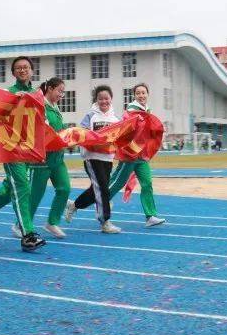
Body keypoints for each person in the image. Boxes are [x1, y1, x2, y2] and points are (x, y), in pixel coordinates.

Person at [0, 56, 46, 252]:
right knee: (22, 187)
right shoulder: (7, 94)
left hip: (29, 149)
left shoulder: (38, 95)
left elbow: (40, 123)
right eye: (18, 68)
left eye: (26, 67)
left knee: (9, 189)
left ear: (32, 71)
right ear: (13, 73)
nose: (22, 70)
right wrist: (15, 102)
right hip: (11, 148)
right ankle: (28, 235)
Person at [101, 83, 166, 228]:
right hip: (130, 155)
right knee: (117, 183)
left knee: (147, 183)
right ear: (134, 96)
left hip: (141, 157)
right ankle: (101, 203)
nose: (141, 95)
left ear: (147, 94)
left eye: (143, 93)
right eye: (138, 93)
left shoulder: (147, 111)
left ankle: (150, 216)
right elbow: (125, 130)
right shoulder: (130, 112)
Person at [64, 85, 122, 233]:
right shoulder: (91, 116)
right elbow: (82, 133)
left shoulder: (115, 118)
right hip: (92, 157)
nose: (104, 101)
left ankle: (74, 205)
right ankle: (105, 221)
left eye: (106, 98)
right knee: (102, 188)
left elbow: (119, 137)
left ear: (111, 99)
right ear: (96, 100)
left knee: (96, 189)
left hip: (107, 158)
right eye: (100, 98)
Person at [28, 78, 72, 238]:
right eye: (60, 91)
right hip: (42, 159)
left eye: (63, 92)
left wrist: (68, 135)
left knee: (64, 188)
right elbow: (42, 130)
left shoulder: (55, 108)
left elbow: (57, 129)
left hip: (57, 158)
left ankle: (52, 222)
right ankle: (22, 225)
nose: (62, 94)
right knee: (35, 194)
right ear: (50, 89)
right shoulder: (41, 106)